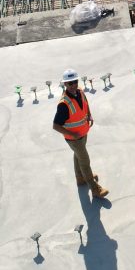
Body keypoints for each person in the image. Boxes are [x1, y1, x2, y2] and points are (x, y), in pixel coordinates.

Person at [53, 69, 109, 198]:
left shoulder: (80, 92)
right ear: (65, 85)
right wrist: (73, 135)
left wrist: (89, 115)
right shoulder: (63, 104)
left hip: (83, 132)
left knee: (78, 155)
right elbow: (56, 126)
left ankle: (80, 178)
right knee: (85, 160)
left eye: (75, 82)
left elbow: (85, 104)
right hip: (74, 138)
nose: (73, 85)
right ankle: (95, 189)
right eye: (70, 83)